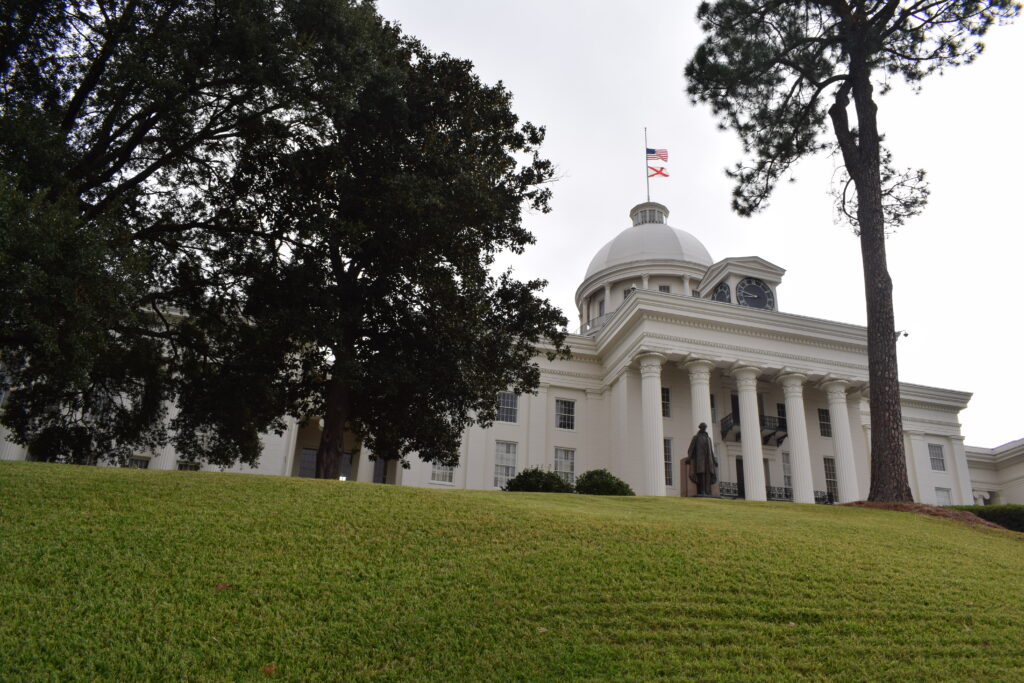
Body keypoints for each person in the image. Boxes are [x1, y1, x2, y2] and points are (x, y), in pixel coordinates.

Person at [686, 422, 718, 496]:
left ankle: (708, 491)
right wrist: (689, 457)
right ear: (700, 427)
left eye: (705, 427)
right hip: (700, 459)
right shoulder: (696, 437)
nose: (704, 428)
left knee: (708, 475)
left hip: (708, 459)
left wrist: (714, 460)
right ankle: (702, 491)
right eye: (703, 427)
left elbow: (711, 451)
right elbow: (691, 448)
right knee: (701, 474)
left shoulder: (708, 438)